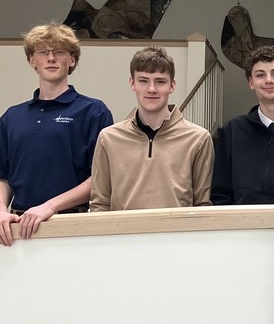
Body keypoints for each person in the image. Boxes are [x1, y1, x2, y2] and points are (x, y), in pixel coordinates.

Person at [0, 23, 113, 246]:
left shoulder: (94, 112)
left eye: (59, 52)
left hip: (70, 226)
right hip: (18, 228)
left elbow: (101, 178)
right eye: (43, 52)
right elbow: (2, 176)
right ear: (32, 61)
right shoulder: (12, 117)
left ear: (72, 60)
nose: (51, 58)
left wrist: (49, 206)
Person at [90, 47, 214, 211]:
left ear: (172, 85)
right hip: (123, 235)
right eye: (143, 80)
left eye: (160, 81)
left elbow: (202, 206)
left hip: (176, 235)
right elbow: (100, 204)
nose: (152, 89)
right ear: (132, 83)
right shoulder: (109, 138)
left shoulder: (198, 139)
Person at [212, 45, 274, 204]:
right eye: (260, 75)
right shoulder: (232, 131)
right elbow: (220, 193)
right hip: (243, 226)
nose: (269, 80)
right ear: (251, 83)